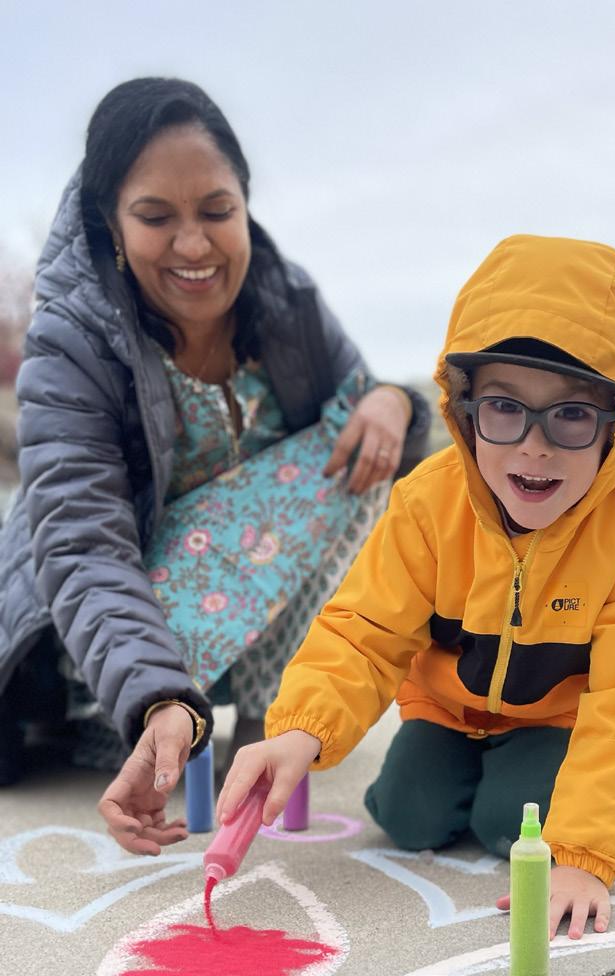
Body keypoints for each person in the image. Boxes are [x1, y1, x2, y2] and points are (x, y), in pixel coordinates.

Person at [217, 234, 615, 939]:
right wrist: (302, 731)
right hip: (445, 708)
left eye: (571, 415)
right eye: (504, 408)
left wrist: (586, 856)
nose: (534, 445)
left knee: (510, 825)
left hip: (551, 719)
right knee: (406, 815)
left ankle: (524, 783)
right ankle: (468, 769)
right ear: (464, 410)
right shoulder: (427, 503)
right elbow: (363, 632)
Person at [0, 77, 429, 828]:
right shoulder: (71, 341)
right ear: (110, 221)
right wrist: (154, 696)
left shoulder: (288, 301)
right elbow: (83, 546)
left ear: (245, 204)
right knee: (343, 444)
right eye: (155, 217)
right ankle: (137, 718)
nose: (194, 245)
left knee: (361, 438)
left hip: (225, 623)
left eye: (216, 211)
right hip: (99, 640)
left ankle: (273, 717)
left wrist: (397, 401)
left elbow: (368, 412)